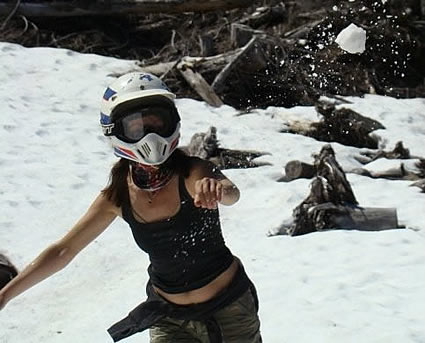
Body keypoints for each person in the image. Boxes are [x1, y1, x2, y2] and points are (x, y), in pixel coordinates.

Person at [0, 72, 262, 342]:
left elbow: (231, 193)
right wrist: (4, 295)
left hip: (230, 309)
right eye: (136, 128)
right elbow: (64, 250)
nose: (150, 136)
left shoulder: (193, 172)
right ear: (115, 131)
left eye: (157, 123)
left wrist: (216, 189)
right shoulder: (118, 195)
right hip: (170, 318)